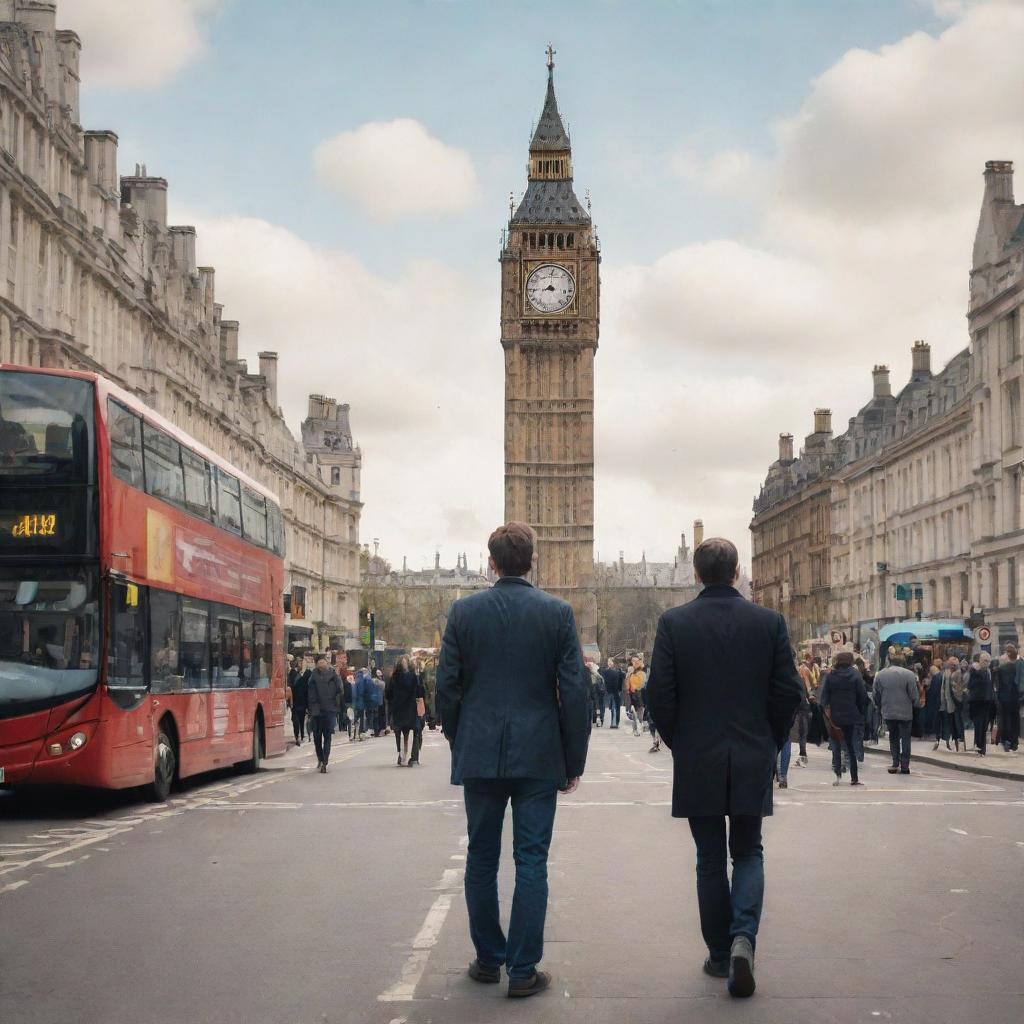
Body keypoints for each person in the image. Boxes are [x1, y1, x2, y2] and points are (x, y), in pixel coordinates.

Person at [436, 522, 589, 999]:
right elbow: (576, 691)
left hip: (480, 750)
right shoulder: (557, 613)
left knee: (480, 858)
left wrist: (462, 738)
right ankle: (523, 970)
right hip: (540, 752)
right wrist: (573, 758)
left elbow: (446, 687)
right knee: (531, 861)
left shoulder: (463, 612)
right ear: (532, 562)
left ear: (491, 563)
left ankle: (488, 958)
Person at [647, 537, 802, 1000]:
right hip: (753, 751)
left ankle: (719, 953)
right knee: (749, 851)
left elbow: (659, 695)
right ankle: (743, 939)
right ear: (737, 572)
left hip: (699, 755)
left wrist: (682, 741)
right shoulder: (769, 622)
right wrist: (769, 739)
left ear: (696, 574)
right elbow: (789, 691)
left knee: (709, 858)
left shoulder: (674, 623)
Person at [818, 651, 868, 787]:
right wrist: (862, 712)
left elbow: (824, 698)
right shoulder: (855, 675)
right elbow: (862, 696)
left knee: (836, 745)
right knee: (851, 747)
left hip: (835, 716)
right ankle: (854, 777)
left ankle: (838, 775)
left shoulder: (830, 676)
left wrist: (826, 712)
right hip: (852, 715)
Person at [874, 653, 921, 774]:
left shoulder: (881, 674)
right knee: (905, 738)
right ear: (903, 663)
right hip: (905, 712)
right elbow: (914, 695)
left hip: (888, 710)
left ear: (890, 662)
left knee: (893, 737)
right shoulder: (909, 675)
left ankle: (895, 762)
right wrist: (916, 705)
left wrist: (880, 706)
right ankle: (905, 765)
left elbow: (876, 694)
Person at [386, 656, 425, 766]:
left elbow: (388, 694)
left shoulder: (394, 677)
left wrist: (393, 703)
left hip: (399, 709)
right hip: (412, 708)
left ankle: (401, 755)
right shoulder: (415, 676)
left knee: (400, 732)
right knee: (416, 731)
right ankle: (414, 758)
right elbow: (421, 691)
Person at [307, 655, 341, 773]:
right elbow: (310, 695)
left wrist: (336, 706)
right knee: (317, 738)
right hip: (316, 712)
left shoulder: (333, 675)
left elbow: (339, 691)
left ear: (327, 663)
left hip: (329, 711)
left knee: (327, 737)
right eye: (320, 662)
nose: (322, 663)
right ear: (316, 664)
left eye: (324, 661)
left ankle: (325, 761)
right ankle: (320, 758)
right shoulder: (312, 677)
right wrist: (311, 709)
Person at [967, 652, 994, 756]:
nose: (986, 663)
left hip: (987, 702)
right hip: (977, 702)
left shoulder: (988, 671)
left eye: (988, 661)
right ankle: (979, 747)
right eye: (984, 661)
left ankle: (982, 749)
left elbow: (989, 686)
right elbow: (970, 685)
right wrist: (979, 673)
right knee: (979, 725)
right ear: (980, 661)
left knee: (984, 726)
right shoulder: (975, 671)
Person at [996, 646, 1021, 752]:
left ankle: (1006, 741)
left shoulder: (1001, 668)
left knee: (1006, 720)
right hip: (1017, 698)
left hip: (1004, 698)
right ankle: (1014, 742)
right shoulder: (1019, 667)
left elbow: (998, 685)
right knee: (1015, 720)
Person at [937, 656, 964, 751]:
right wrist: (943, 702)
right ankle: (949, 743)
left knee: (956, 724)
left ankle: (957, 744)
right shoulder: (946, 673)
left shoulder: (959, 673)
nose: (952, 666)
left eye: (954, 664)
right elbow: (943, 688)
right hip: (949, 703)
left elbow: (960, 688)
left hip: (957, 703)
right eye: (951, 664)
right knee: (950, 724)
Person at [287, 656, 309, 747]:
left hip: (300, 702)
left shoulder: (304, 674)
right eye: (299, 662)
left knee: (299, 719)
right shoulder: (294, 674)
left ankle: (300, 736)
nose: (300, 664)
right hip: (297, 702)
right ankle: (299, 736)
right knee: (297, 720)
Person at [600, 657, 624, 728]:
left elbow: (621, 681)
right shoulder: (605, 671)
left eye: (611, 661)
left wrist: (619, 691)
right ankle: (608, 722)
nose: (609, 663)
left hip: (615, 692)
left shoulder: (618, 672)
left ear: (614, 663)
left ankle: (614, 723)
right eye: (608, 661)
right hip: (608, 692)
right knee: (607, 707)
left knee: (613, 707)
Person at [625, 656, 647, 736]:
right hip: (632, 695)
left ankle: (638, 728)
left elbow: (641, 684)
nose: (634, 663)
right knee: (634, 712)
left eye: (636, 661)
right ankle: (635, 729)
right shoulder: (631, 672)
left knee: (639, 712)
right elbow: (627, 684)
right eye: (633, 661)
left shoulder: (642, 672)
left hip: (639, 694)